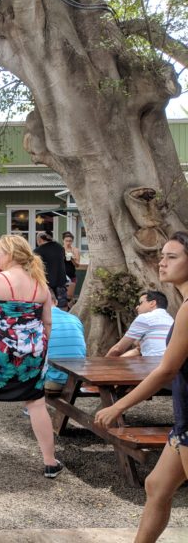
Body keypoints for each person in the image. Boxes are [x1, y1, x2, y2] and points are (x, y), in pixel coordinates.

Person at [95, 232, 188, 542]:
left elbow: (166, 370)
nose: (162, 262)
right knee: (157, 486)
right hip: (183, 423)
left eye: (172, 257)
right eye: (162, 256)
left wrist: (118, 406)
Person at [0, 234, 61, 478]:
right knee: (37, 404)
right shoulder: (41, 284)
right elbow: (47, 322)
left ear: (10, 254)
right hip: (33, 353)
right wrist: (40, 350)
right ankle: (50, 461)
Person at [105, 290, 173, 358]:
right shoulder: (171, 320)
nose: (137, 307)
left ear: (152, 303)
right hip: (172, 364)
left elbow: (117, 349)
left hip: (154, 364)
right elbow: (138, 350)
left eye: (140, 303)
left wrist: (104, 364)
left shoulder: (145, 318)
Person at [44, 302, 87, 393]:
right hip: (77, 378)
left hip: (53, 380)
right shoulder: (74, 318)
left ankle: (32, 407)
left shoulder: (36, 320)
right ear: (56, 302)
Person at [34, 231, 68, 309]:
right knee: (61, 307)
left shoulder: (38, 251)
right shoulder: (60, 247)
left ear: (39, 240)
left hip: (46, 283)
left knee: (46, 307)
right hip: (60, 282)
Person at [62, 231, 81, 303]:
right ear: (63, 240)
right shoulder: (60, 250)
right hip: (61, 277)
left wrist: (72, 258)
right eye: (66, 241)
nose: (68, 243)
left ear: (72, 241)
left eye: (70, 241)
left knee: (69, 297)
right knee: (60, 297)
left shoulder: (75, 250)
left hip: (71, 276)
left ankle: (70, 311)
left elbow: (77, 265)